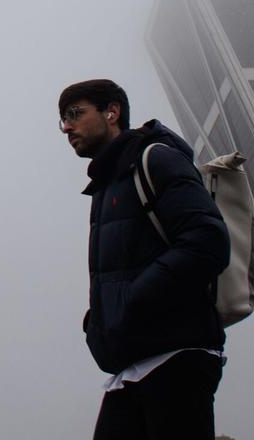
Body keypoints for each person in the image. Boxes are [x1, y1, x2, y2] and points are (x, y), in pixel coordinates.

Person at [59, 78, 230, 440]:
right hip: (132, 365)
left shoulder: (156, 159)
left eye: (75, 113)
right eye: (62, 119)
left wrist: (133, 300)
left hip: (177, 358)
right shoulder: (108, 184)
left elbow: (207, 241)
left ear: (111, 112)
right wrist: (99, 325)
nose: (67, 126)